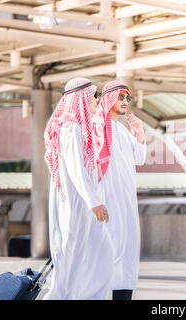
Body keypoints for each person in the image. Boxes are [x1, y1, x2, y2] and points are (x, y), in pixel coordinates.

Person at [43, 78, 114, 300]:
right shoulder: (71, 129)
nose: (96, 101)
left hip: (80, 201)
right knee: (70, 254)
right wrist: (94, 201)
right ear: (81, 98)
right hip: (75, 203)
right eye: (94, 96)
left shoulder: (77, 128)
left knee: (91, 252)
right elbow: (76, 170)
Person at [92, 80, 147, 300]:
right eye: (120, 97)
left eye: (127, 98)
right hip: (106, 202)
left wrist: (140, 132)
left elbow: (139, 158)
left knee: (127, 255)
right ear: (108, 98)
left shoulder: (123, 130)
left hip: (126, 203)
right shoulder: (97, 126)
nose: (125, 101)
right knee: (104, 256)